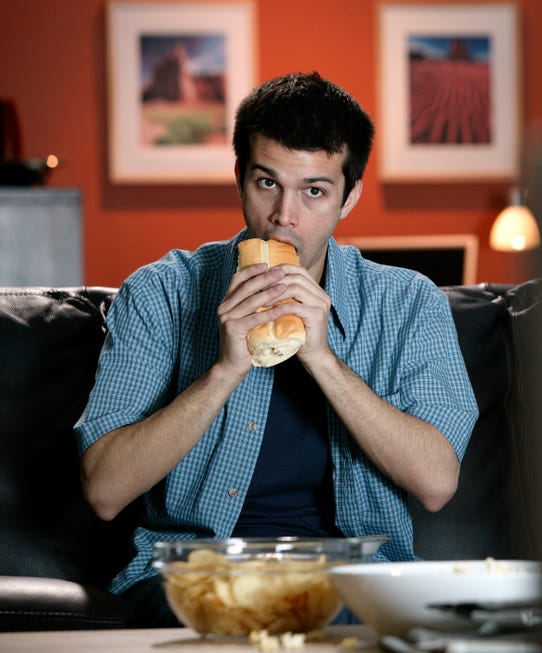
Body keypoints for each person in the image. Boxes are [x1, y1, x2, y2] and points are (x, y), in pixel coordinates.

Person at [74, 71, 479, 626]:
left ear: (349, 197)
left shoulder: (409, 302)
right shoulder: (160, 291)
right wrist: (224, 370)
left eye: (314, 191)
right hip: (194, 576)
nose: (284, 217)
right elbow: (104, 490)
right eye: (267, 183)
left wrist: (322, 359)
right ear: (240, 178)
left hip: (355, 580)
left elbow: (436, 484)